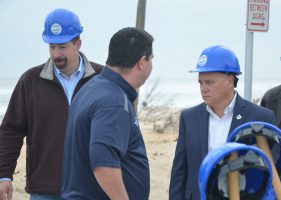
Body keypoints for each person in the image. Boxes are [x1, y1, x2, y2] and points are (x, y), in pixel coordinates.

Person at [0, 8, 102, 200]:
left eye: (62, 46)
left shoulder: (102, 79)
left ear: (78, 43)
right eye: (51, 46)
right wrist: (4, 175)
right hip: (45, 189)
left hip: (93, 188)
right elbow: (10, 131)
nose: (56, 54)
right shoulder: (30, 81)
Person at [169, 45, 275, 200]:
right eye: (200, 83)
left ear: (230, 80)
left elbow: (272, 172)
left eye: (209, 82)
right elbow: (180, 172)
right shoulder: (189, 118)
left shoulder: (260, 116)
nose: (203, 89)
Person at [61, 27, 154, 200]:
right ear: (142, 62)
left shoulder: (90, 88)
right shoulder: (114, 101)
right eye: (151, 59)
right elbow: (103, 162)